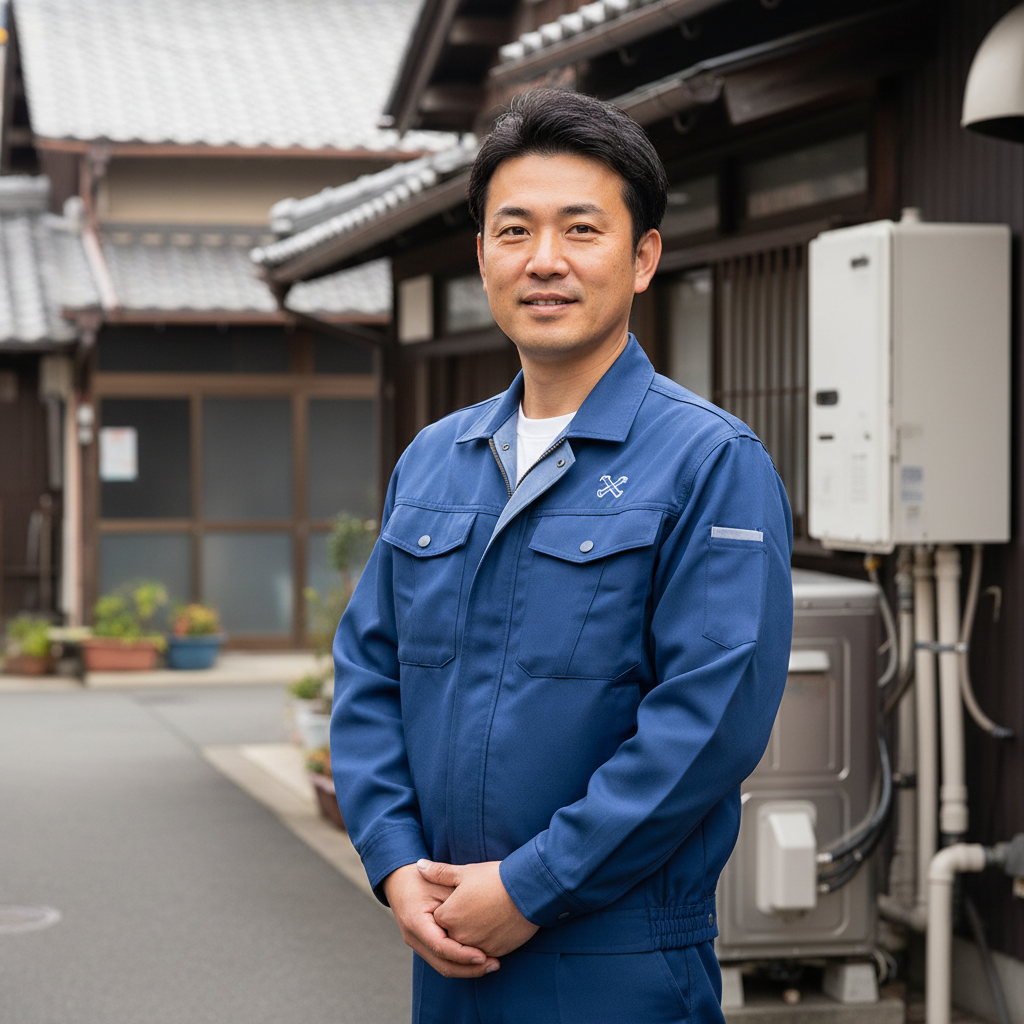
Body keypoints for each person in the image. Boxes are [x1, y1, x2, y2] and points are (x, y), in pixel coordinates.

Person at [331, 89, 793, 1024]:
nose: (545, 260)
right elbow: (368, 673)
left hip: (617, 957)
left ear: (643, 257)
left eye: (581, 229)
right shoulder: (435, 459)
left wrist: (535, 884)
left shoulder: (710, 461)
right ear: (483, 257)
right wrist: (392, 863)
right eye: (515, 231)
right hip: (449, 943)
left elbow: (707, 725)